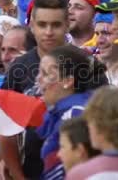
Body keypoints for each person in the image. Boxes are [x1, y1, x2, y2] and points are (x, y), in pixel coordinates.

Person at [0, 0, 69, 180]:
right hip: (31, 170)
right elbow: (5, 128)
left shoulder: (87, 65)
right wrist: (18, 175)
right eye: (42, 24)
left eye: (56, 25)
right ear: (31, 26)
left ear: (67, 25)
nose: (48, 32)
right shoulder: (18, 68)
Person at [36, 45, 107, 179]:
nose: (38, 79)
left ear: (68, 81)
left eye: (45, 74)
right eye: (39, 72)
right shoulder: (59, 111)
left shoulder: (76, 114)